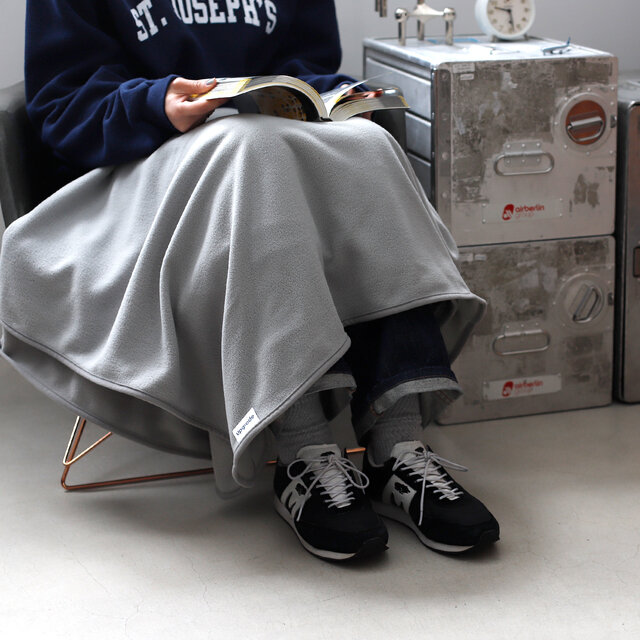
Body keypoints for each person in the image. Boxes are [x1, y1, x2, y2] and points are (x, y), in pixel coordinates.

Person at [0, 0, 499, 561]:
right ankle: (302, 451)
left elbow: (303, 66)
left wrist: (332, 97)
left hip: (256, 146)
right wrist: (153, 103)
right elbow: (63, 106)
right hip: (133, 170)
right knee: (249, 149)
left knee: (369, 144)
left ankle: (397, 445)